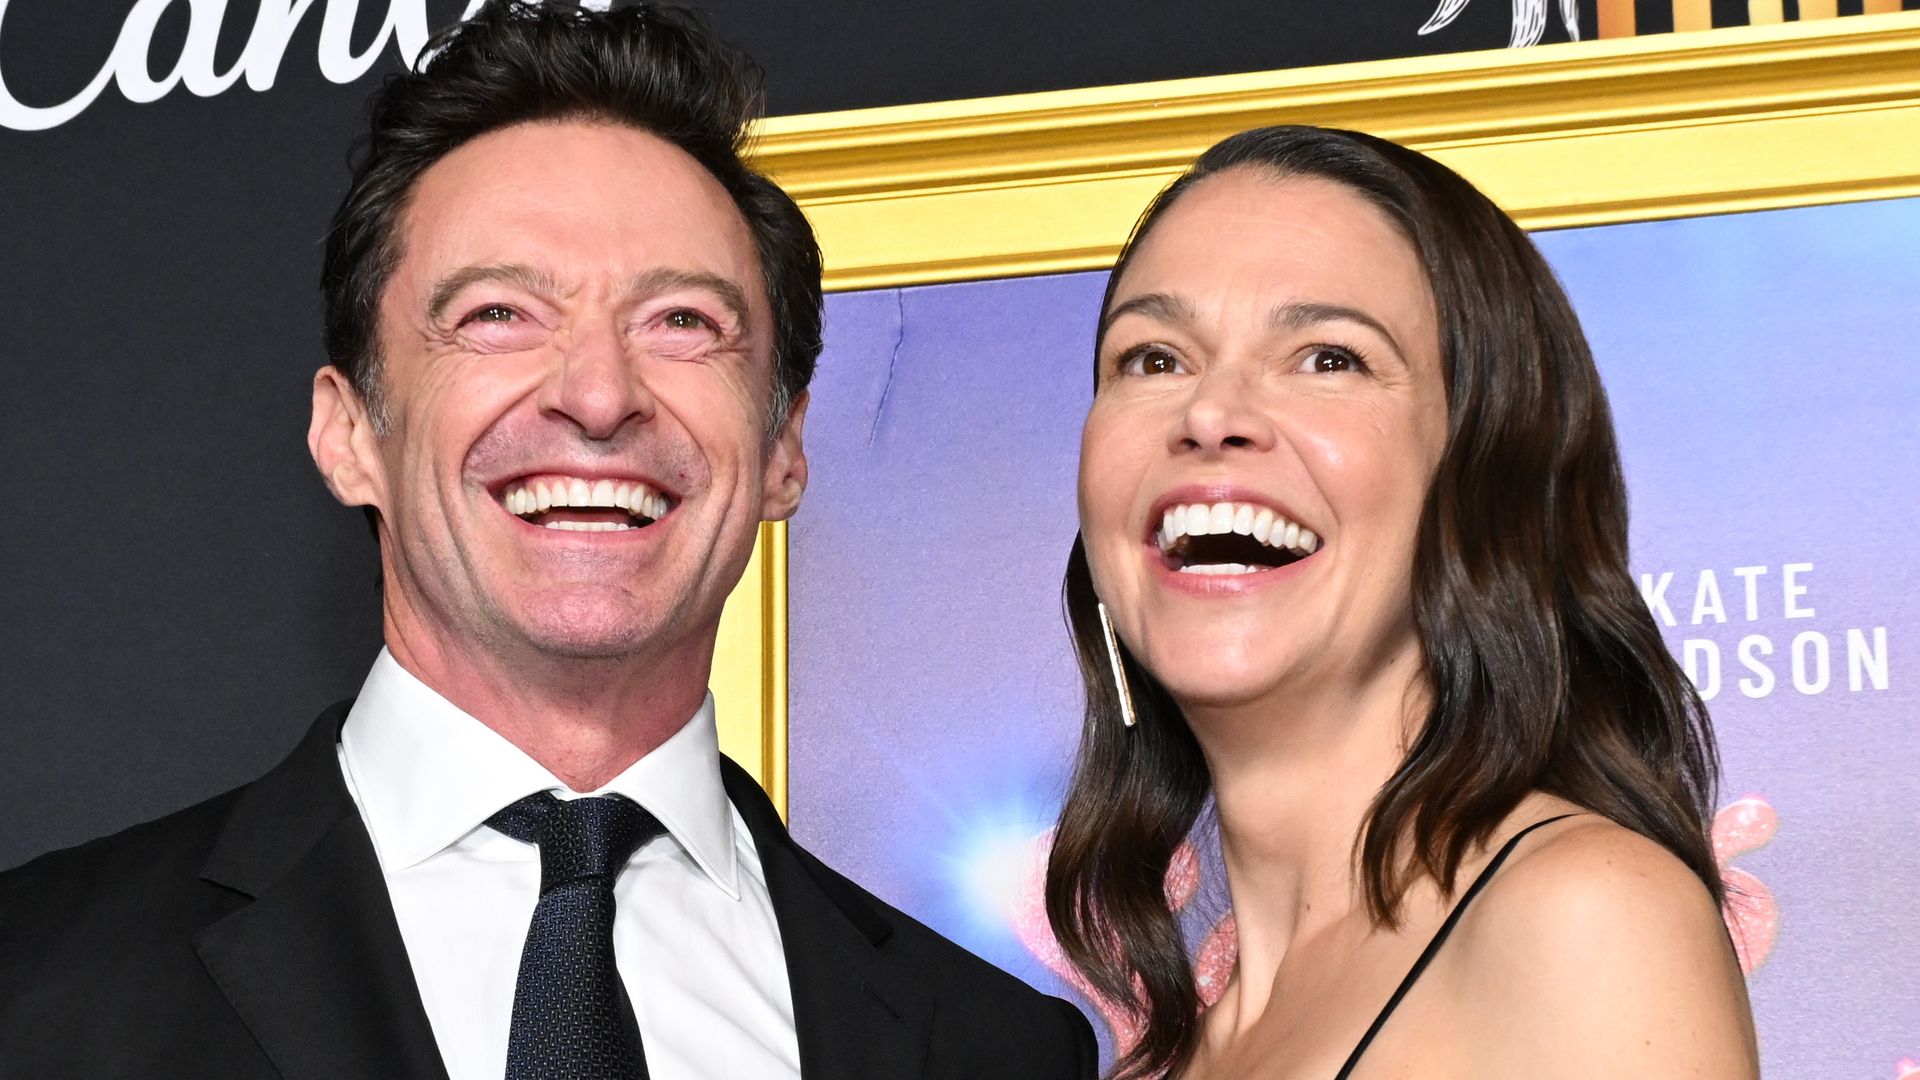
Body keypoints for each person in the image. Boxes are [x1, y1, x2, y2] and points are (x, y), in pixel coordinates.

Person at [0, 5, 1095, 1078]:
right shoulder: (35, 980)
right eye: (498, 315)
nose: (600, 392)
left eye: (684, 324)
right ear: (348, 435)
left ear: (783, 451)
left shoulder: (989, 1046)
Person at [1045, 126, 1759, 1080]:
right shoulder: (1174, 1057)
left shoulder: (1583, 916)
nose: (1210, 414)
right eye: (1153, 359)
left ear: (1487, 469)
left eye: (1329, 358)